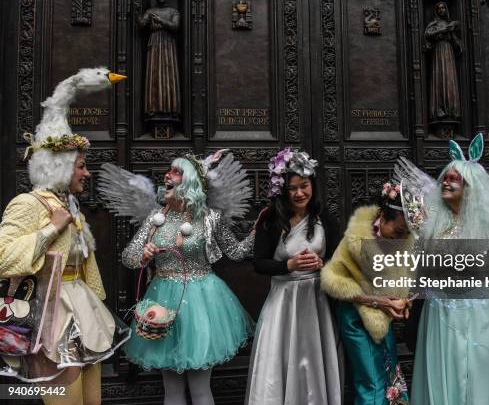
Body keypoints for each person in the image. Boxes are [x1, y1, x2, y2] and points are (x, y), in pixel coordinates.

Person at [394, 134, 489, 405]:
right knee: (444, 371)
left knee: (476, 372)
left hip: (479, 312)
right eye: (444, 177)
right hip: (439, 311)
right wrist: (406, 296)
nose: (445, 181)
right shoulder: (431, 225)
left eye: (453, 178)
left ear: (471, 187)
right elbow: (419, 270)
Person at [0, 128, 129, 405]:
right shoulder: (28, 204)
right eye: (81, 166)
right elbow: (3, 257)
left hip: (83, 310)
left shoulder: (71, 207)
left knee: (92, 400)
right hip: (51, 316)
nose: (88, 173)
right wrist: (51, 229)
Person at [117, 152, 255, 405]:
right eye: (169, 171)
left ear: (190, 181)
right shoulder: (155, 219)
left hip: (203, 303)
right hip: (162, 303)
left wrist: (259, 231)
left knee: (201, 389)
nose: (167, 176)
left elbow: (236, 253)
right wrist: (144, 256)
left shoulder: (210, 219)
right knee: (171, 390)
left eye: (175, 172)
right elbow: (128, 256)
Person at [245, 148, 343, 405]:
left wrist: (322, 264)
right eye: (293, 188)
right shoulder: (271, 219)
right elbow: (259, 264)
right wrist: (288, 264)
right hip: (283, 301)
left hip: (316, 301)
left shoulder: (325, 219)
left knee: (312, 360)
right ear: (283, 190)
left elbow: (340, 261)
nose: (300, 193)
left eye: (304, 186)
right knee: (279, 359)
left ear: (312, 185)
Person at [321, 182, 417, 405]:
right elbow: (331, 281)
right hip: (355, 317)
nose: (402, 238)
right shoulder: (356, 238)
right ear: (382, 217)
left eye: (407, 234)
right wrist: (377, 302)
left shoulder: (403, 243)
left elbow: (402, 285)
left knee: (391, 377)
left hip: (383, 319)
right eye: (399, 231)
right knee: (371, 381)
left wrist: (403, 304)